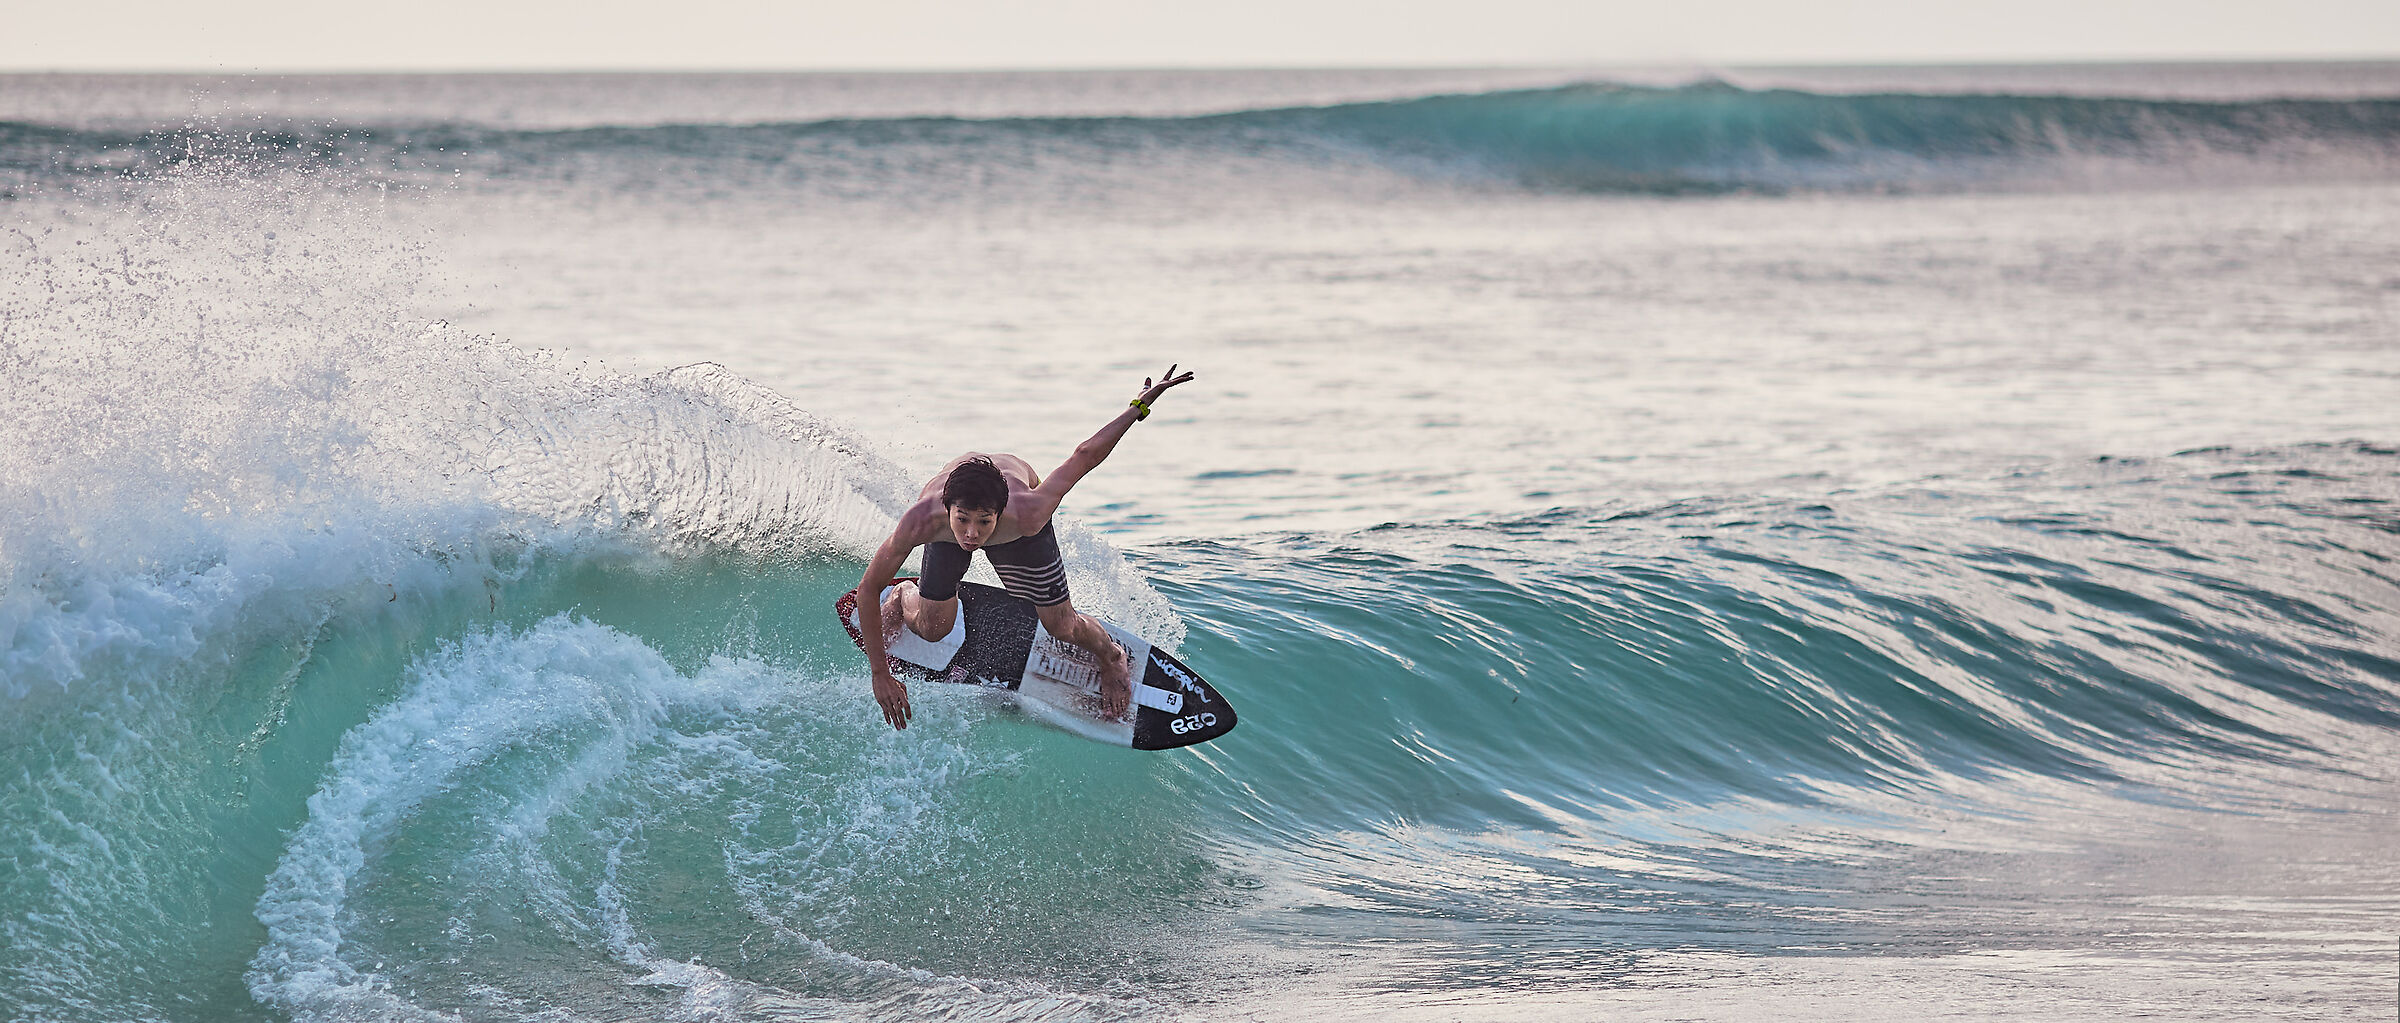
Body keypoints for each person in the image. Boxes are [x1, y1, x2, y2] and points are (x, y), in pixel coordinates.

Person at [855, 365, 1197, 731]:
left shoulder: (1028, 512)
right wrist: (880, 674)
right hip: (957, 508)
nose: (971, 535)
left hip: (1014, 515)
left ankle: (1111, 655)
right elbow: (869, 588)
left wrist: (1138, 407)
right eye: (962, 519)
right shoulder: (923, 521)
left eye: (984, 522)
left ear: (1000, 514)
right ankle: (904, 596)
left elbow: (1084, 455)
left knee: (1061, 625)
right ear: (947, 509)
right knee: (931, 627)